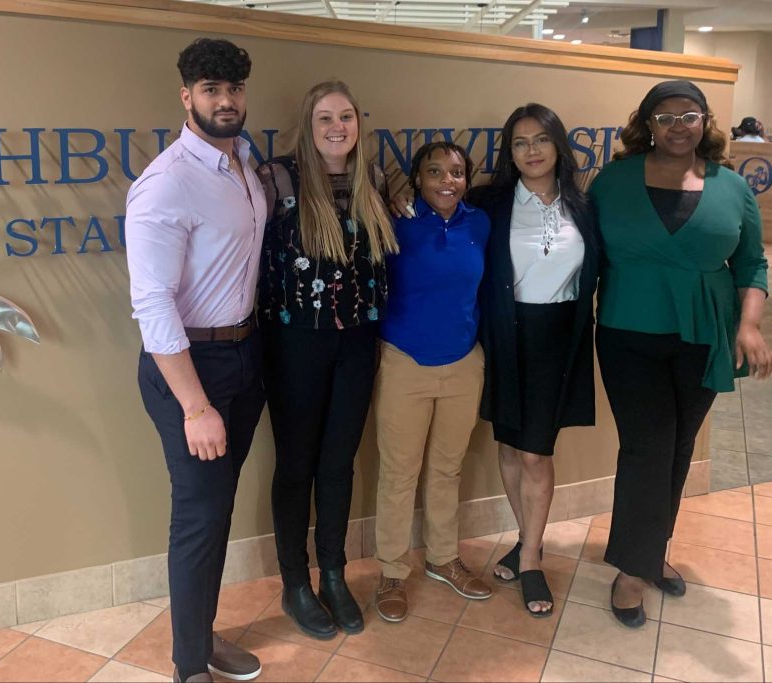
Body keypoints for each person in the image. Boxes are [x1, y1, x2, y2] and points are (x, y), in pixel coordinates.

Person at [591, 80, 772, 628]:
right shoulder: (615, 180)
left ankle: (650, 552)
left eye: (688, 115)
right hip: (629, 331)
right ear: (647, 122)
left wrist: (749, 325)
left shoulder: (733, 187)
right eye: (664, 116)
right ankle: (631, 570)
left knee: (677, 449)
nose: (677, 125)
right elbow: (580, 244)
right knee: (648, 447)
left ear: (705, 122)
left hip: (704, 334)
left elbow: (752, 264)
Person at [125, 38, 267, 683]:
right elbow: (152, 304)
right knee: (199, 517)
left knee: (216, 512)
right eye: (211, 89)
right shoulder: (165, 184)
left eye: (234, 89)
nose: (225, 100)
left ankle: (202, 639)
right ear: (186, 96)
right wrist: (195, 405)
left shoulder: (244, 165)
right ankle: (189, 668)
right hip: (191, 371)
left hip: (242, 354)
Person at [256, 80, 398, 640]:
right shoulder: (277, 179)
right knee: (296, 465)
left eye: (346, 116)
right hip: (295, 342)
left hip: (358, 342)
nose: (337, 127)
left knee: (339, 463)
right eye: (324, 119)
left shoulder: (376, 178)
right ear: (307, 125)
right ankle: (296, 583)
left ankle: (334, 574)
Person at [475, 104, 599, 618]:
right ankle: (530, 541)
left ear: (558, 146)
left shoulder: (583, 205)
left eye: (541, 140)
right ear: (510, 151)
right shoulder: (490, 202)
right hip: (505, 333)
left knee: (535, 453)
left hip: (558, 336)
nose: (531, 151)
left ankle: (529, 557)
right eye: (520, 142)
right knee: (508, 443)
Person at [372, 141, 493, 623]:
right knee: (399, 474)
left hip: (464, 362)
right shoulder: (395, 221)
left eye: (457, 172)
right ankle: (392, 571)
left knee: (447, 469)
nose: (447, 180)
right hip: (404, 361)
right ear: (416, 179)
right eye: (435, 172)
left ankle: (444, 559)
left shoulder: (479, 224)